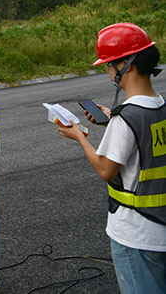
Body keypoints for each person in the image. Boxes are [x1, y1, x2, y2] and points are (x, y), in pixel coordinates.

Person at [57, 22, 166, 294]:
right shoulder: (159, 106)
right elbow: (147, 146)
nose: (107, 71)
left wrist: (80, 137)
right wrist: (111, 123)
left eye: (108, 65)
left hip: (135, 233)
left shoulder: (127, 118)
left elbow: (106, 169)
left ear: (126, 65)